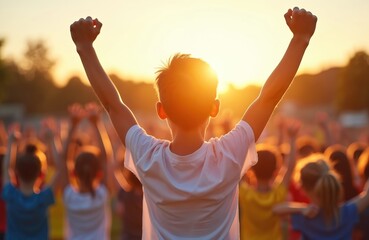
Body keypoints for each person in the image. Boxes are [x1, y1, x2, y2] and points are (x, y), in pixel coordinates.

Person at [70, 7, 317, 239]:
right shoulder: (229, 155)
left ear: (161, 111)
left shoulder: (148, 157)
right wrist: (300, 40)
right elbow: (268, 99)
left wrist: (85, 48)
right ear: (215, 107)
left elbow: (113, 105)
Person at [273, 154, 369, 239]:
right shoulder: (346, 213)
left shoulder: (305, 217)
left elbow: (276, 209)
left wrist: (302, 209)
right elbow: (366, 196)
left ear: (303, 188)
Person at [239, 119, 300, 240]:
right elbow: (291, 166)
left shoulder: (245, 194)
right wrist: (292, 139)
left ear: (251, 170)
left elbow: (237, 164)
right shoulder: (278, 194)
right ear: (276, 170)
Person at [59, 103, 113, 240]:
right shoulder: (102, 195)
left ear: (73, 173)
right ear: (99, 173)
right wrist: (97, 124)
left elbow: (63, 159)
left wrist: (72, 126)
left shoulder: (69, 196)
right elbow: (106, 158)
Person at [2, 128, 60, 240]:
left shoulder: (11, 194)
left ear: (17, 172)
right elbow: (60, 169)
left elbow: (7, 167)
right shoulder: (44, 197)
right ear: (41, 174)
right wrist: (52, 140)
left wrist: (11, 143)